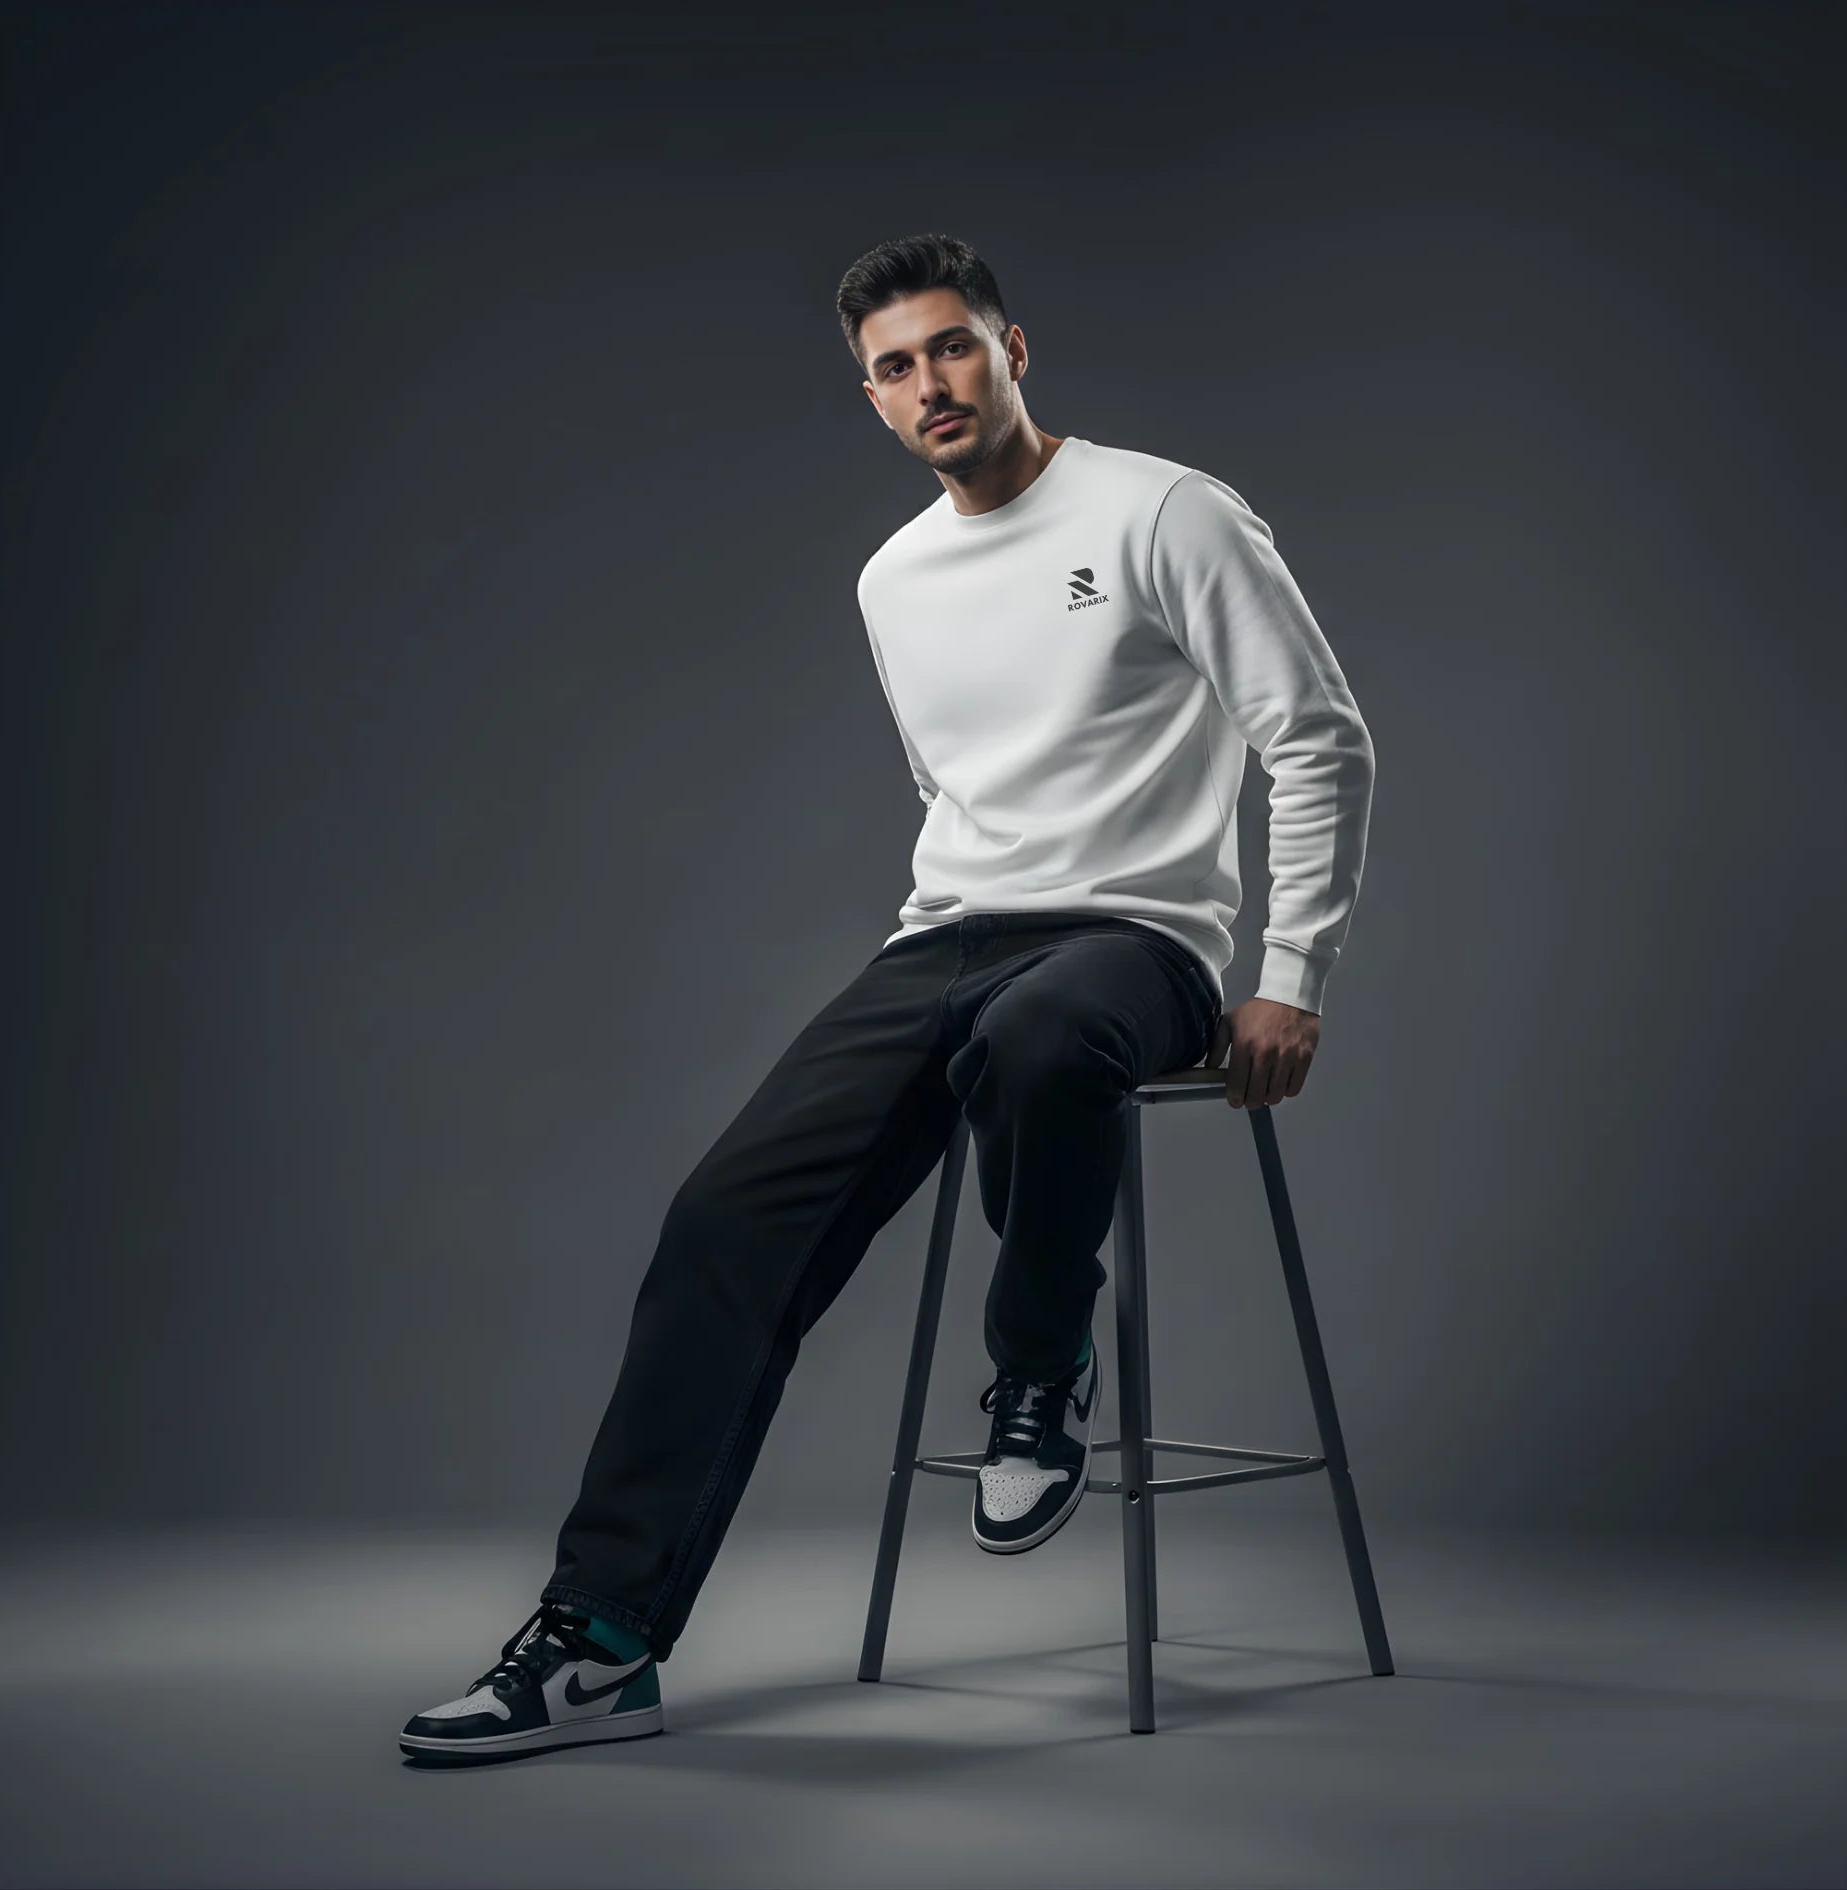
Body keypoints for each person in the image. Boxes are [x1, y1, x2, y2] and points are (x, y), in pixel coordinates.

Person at [400, 232, 1376, 1764]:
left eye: (952, 346)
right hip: (947, 940)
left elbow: (1315, 736)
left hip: (1137, 940)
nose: (931, 382)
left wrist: (1290, 975)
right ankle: (599, 1637)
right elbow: (953, 791)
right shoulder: (892, 579)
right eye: (895, 366)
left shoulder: (1163, 511)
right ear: (869, 394)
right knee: (722, 1218)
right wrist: (949, 943)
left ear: (1011, 349)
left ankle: (1040, 1367)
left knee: (1039, 1031)